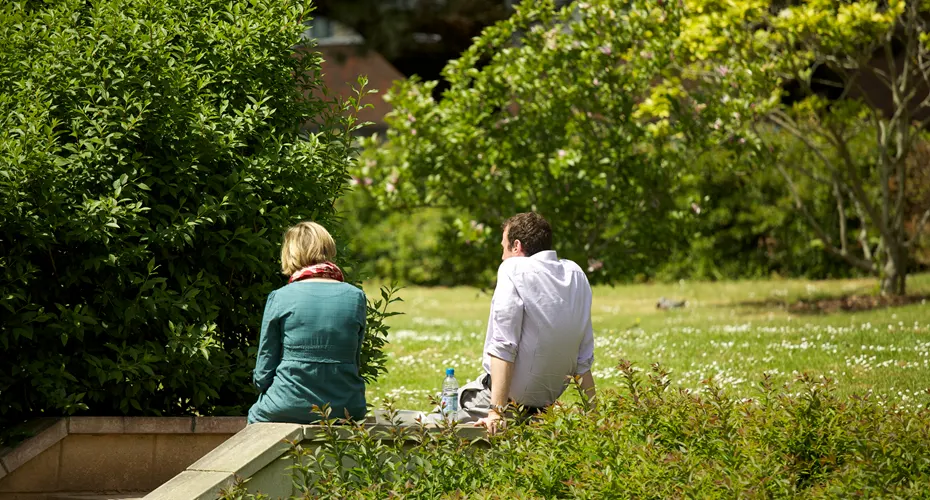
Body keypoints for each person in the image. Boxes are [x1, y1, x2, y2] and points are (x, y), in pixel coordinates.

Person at [461, 212, 596, 434]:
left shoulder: (512, 269)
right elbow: (583, 358)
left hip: (504, 405)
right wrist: (594, 414)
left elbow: (504, 345)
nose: (502, 257)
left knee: (445, 408)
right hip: (545, 411)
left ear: (516, 246)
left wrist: (496, 412)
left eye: (503, 248)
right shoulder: (575, 274)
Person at [248, 221, 368, 424]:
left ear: (290, 253)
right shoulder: (356, 296)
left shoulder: (280, 297)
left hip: (287, 402)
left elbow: (263, 372)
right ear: (328, 248)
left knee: (255, 418)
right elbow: (353, 360)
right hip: (346, 406)